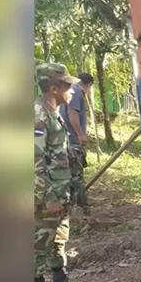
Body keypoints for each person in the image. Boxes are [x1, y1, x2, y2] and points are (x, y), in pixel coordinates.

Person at [34, 63, 94, 282]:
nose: (72, 88)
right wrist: (48, 197)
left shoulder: (53, 112)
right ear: (54, 87)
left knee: (58, 239)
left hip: (60, 192)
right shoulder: (38, 114)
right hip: (45, 196)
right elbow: (34, 160)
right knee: (38, 243)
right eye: (68, 85)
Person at [59, 72, 94, 217]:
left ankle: (74, 207)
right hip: (73, 142)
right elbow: (72, 113)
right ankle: (81, 210)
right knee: (76, 178)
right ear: (88, 85)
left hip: (67, 140)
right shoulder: (76, 92)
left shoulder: (69, 91)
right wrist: (80, 134)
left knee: (72, 177)